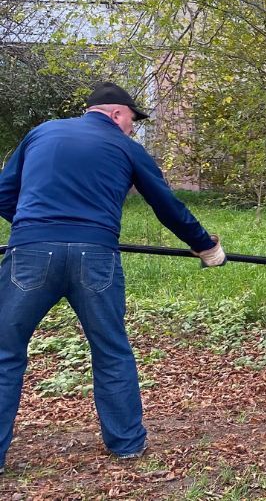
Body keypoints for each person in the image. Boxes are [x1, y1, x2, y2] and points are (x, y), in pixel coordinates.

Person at [0, 81, 226, 474]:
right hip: (95, 256)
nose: (133, 129)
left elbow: (3, 193)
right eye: (132, 121)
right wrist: (205, 246)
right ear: (117, 113)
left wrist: (33, 229)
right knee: (111, 350)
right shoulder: (127, 148)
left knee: (4, 354)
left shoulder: (42, 132)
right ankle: (126, 445)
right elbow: (166, 204)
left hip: (30, 253)